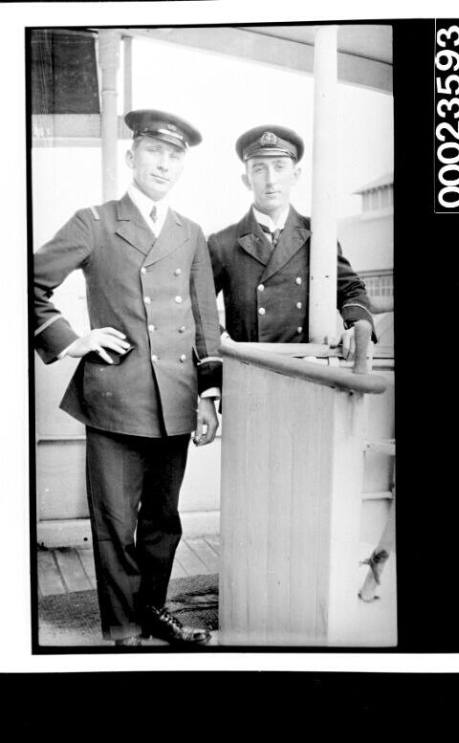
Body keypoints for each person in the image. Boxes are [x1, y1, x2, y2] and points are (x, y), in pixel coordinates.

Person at [34, 109, 222, 648]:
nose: (164, 162)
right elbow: (26, 279)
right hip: (116, 399)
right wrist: (74, 339)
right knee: (116, 526)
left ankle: (154, 612)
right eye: (154, 151)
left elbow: (206, 320)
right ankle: (122, 633)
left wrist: (208, 394)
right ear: (131, 156)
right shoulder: (93, 221)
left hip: (178, 399)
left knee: (164, 521)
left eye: (175, 154)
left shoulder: (190, 232)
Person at [207, 125, 377, 371]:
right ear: (246, 180)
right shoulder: (222, 243)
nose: (271, 180)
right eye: (259, 169)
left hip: (305, 373)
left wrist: (357, 326)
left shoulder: (318, 236)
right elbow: (200, 308)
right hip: (246, 374)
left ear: (295, 175)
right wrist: (223, 342)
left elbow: (350, 288)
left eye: (279, 167)